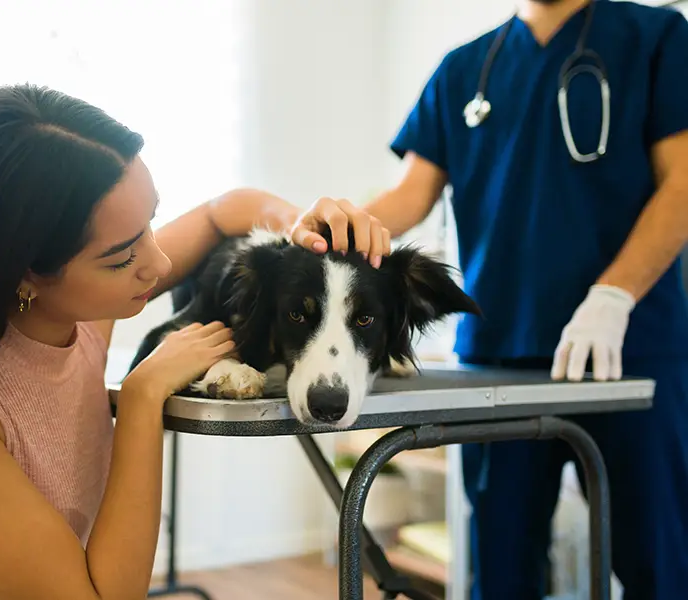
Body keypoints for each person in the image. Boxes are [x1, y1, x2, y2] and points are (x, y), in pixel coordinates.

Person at [0, 83, 391, 600]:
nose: (157, 262)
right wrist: (142, 395)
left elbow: (221, 213)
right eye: (121, 256)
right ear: (23, 275)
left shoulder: (72, 322)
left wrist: (302, 228)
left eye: (151, 224)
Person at [292, 0, 688, 598]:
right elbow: (411, 195)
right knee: (499, 570)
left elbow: (683, 182)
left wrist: (614, 294)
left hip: (629, 351)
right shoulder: (465, 69)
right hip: (497, 356)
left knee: (659, 564)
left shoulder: (656, 37)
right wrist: (328, 227)